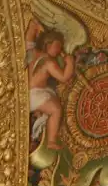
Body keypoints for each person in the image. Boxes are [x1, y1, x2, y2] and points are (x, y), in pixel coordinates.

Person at [26, 21, 75, 150]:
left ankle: (39, 115)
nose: (59, 50)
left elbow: (28, 42)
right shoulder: (49, 63)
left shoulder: (34, 53)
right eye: (57, 46)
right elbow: (63, 77)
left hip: (27, 92)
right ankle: (51, 141)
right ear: (48, 44)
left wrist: (33, 27)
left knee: (52, 93)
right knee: (56, 109)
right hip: (34, 95)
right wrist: (70, 63)